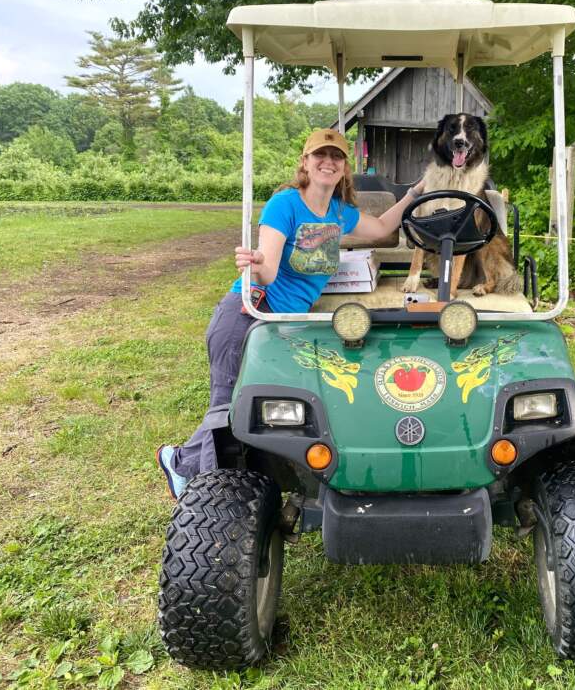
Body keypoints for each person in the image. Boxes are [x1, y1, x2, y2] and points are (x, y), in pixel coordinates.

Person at [156, 128, 423, 499]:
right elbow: (267, 267)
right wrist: (256, 262)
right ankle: (198, 484)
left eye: (336, 157)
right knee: (229, 407)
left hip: (288, 326)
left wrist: (414, 193)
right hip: (251, 315)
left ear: (345, 167)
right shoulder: (285, 204)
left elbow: (380, 227)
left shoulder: (338, 213)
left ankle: (194, 467)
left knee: (268, 404)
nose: (327, 162)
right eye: (320, 155)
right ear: (305, 162)